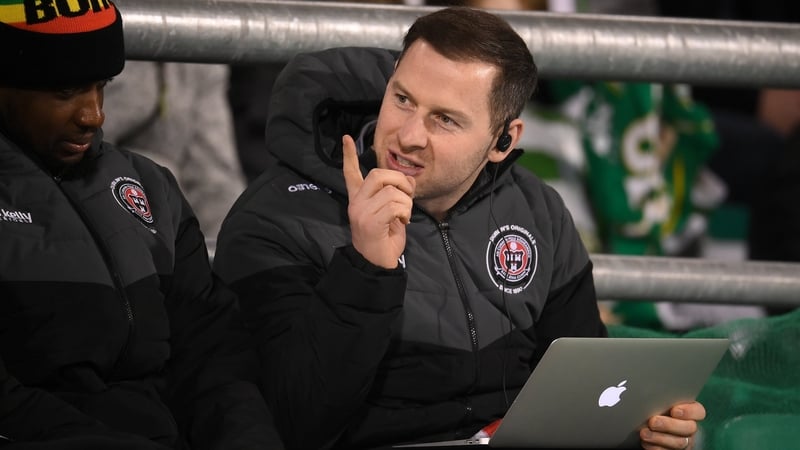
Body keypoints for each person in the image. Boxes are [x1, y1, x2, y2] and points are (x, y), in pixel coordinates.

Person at [214, 7, 705, 450]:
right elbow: (295, 423)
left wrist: (636, 432)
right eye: (402, 99)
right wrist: (365, 270)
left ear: (503, 140)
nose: (408, 136)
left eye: (444, 120)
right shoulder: (275, 218)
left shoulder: (538, 209)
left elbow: (589, 388)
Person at [0, 3, 281, 449]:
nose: (94, 115)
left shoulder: (149, 186)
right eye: (65, 91)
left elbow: (211, 349)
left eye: (101, 85)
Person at [102, 61, 247, 248]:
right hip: (95, 223)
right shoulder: (95, 44)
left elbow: (214, 178)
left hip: (172, 230)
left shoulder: (199, 56)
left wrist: (231, 255)